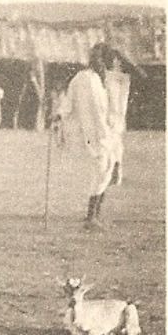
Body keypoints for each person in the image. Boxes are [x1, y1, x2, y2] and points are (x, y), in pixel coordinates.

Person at [51, 43, 119, 230]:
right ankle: (91, 217)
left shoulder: (87, 79)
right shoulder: (89, 80)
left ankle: (95, 215)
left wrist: (60, 114)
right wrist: (59, 115)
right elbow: (86, 107)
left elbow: (68, 103)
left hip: (97, 133)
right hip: (95, 133)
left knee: (105, 171)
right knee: (101, 172)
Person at [103, 49, 133, 185]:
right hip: (119, 115)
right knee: (116, 142)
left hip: (112, 115)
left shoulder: (110, 78)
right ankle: (117, 169)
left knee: (112, 143)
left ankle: (114, 169)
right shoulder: (125, 79)